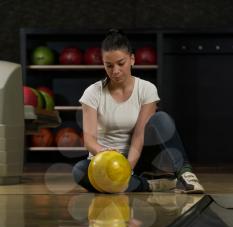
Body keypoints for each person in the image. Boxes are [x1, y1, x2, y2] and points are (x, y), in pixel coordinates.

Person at [73, 29, 204, 194]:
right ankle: (150, 185)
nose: (115, 71)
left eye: (121, 63)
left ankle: (186, 174)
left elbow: (139, 135)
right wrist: (101, 151)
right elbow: (89, 140)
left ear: (132, 59)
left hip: (138, 157)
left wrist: (126, 169)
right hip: (106, 161)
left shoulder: (147, 89)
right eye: (109, 65)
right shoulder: (92, 92)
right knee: (79, 171)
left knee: (161, 118)